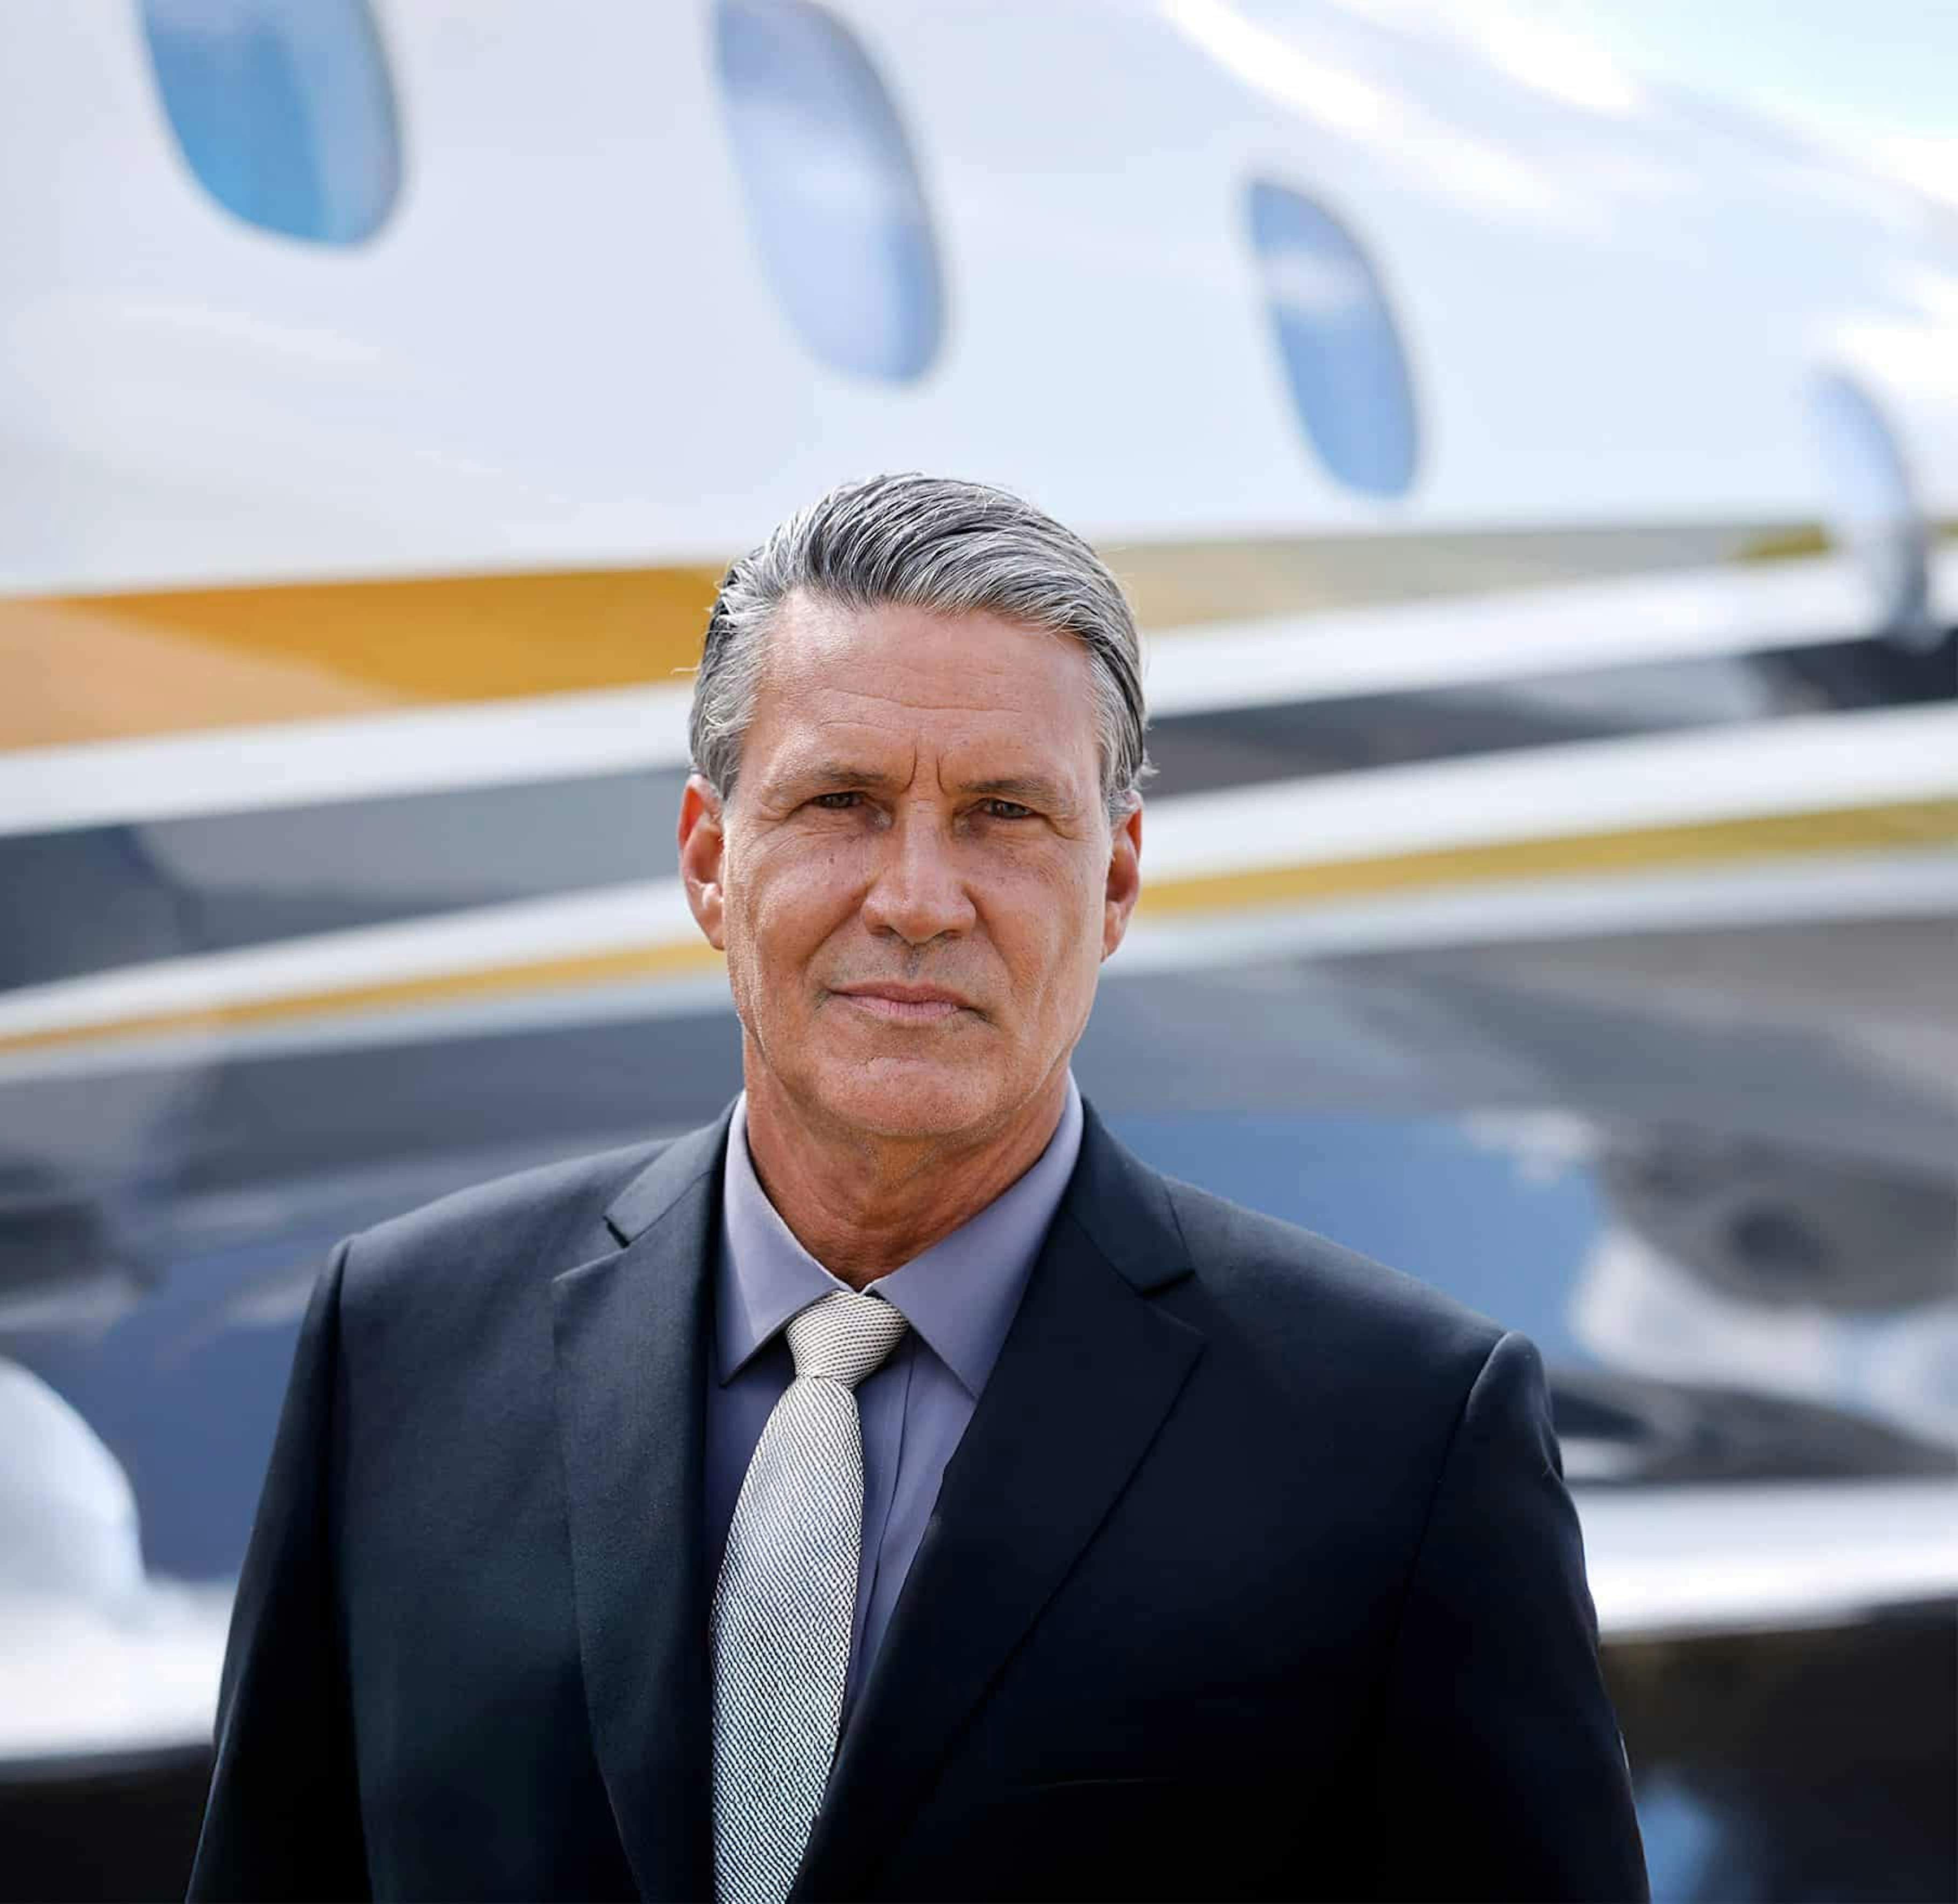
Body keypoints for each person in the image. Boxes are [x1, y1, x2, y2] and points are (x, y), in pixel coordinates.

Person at [187, 474, 1649, 1903]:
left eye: (1006, 814)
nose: (918, 897)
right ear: (710, 859)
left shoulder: (1399, 1441)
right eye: (842, 802)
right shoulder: (402, 1350)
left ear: (1120, 879)